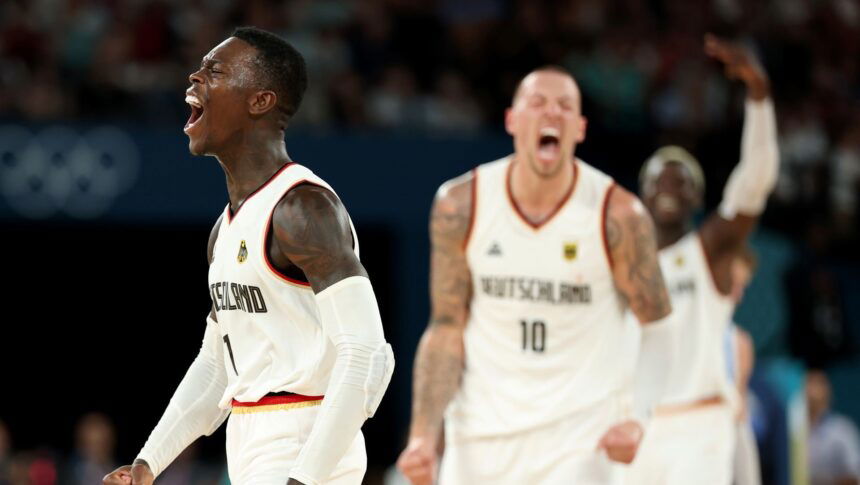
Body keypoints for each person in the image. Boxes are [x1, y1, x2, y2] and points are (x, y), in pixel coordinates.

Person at [103, 26, 394, 485]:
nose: (194, 78)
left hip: (305, 438)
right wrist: (148, 462)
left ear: (260, 101)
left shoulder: (304, 208)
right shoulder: (226, 227)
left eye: (214, 71)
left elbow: (368, 355)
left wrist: (306, 477)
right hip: (249, 437)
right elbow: (218, 364)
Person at [396, 65, 674, 485]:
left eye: (565, 107)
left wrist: (639, 416)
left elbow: (659, 325)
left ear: (580, 129)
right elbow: (446, 327)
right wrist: (422, 436)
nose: (552, 114)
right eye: (538, 103)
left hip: (581, 438)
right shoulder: (462, 204)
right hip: (481, 435)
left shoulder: (618, 214)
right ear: (512, 120)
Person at [629, 34, 779, 485]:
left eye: (682, 181)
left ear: (696, 197)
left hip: (699, 429)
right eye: (661, 179)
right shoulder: (621, 268)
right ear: (644, 194)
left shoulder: (708, 251)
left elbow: (753, 182)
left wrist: (758, 95)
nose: (671, 186)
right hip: (636, 429)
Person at [807, 370, 860, 485]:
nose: (810, 390)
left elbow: (852, 476)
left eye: (816, 384)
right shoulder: (794, 432)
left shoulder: (842, 430)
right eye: (808, 383)